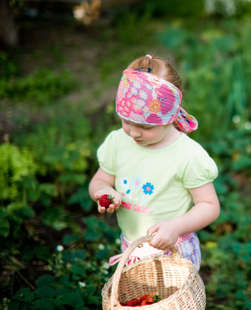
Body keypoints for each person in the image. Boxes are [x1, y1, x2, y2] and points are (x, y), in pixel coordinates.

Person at [88, 54, 220, 270]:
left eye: (146, 127)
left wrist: (176, 227)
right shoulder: (118, 142)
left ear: (170, 118)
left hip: (174, 251)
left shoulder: (187, 154)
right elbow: (99, 181)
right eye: (126, 122)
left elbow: (209, 206)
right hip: (131, 246)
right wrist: (104, 192)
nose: (133, 132)